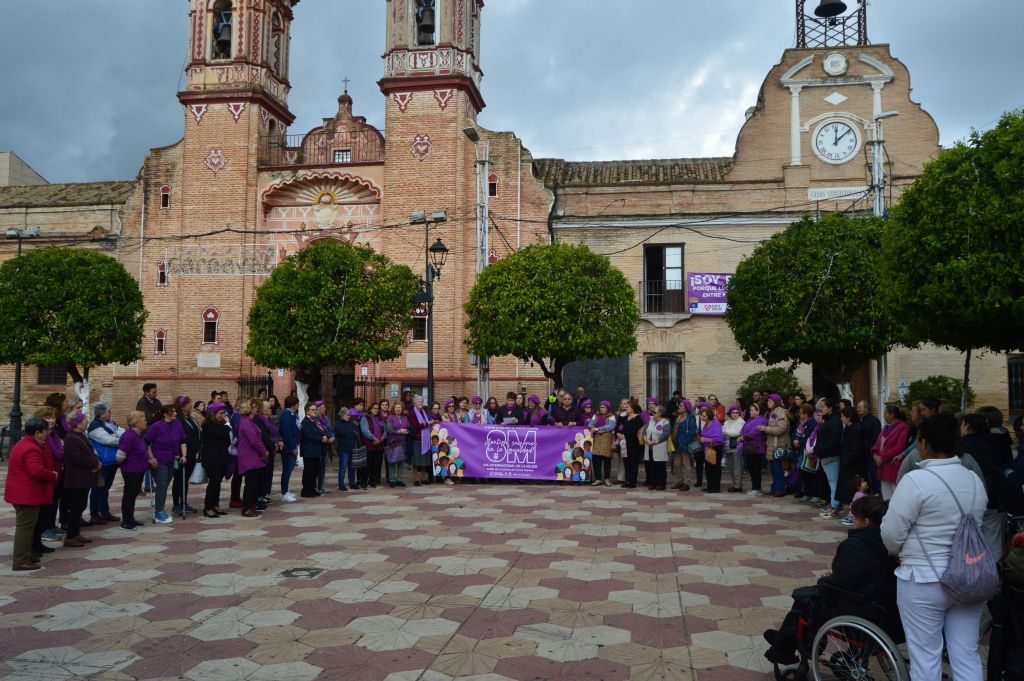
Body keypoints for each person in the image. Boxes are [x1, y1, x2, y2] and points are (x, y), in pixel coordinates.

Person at [881, 412, 989, 681]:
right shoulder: (973, 480)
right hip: (969, 576)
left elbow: (891, 534)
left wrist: (899, 549)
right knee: (966, 654)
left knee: (925, 657)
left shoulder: (915, 481)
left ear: (924, 443)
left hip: (923, 579)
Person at [764, 496, 892, 665]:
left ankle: (784, 648)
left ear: (866, 521)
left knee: (804, 599)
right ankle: (785, 640)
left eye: (855, 518)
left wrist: (826, 580)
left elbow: (840, 583)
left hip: (860, 606)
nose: (853, 521)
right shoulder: (888, 543)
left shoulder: (856, 545)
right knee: (810, 595)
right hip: (878, 603)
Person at [5, 417, 59, 570]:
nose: (47, 434)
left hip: (22, 492)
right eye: (45, 431)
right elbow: (36, 471)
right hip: (26, 494)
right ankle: (20, 560)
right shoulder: (31, 448)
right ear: (37, 433)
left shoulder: (24, 444)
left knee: (27, 526)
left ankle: (26, 555)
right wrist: (52, 475)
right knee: (25, 528)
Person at [60, 410, 101, 547]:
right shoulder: (70, 438)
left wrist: (96, 460)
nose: (87, 421)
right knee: (76, 507)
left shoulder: (80, 435)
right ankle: (70, 536)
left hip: (83, 478)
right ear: (77, 424)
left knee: (81, 505)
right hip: (76, 479)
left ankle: (75, 533)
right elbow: (77, 458)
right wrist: (94, 462)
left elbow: (89, 452)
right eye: (84, 420)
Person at [145, 404, 186, 524]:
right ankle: (159, 512)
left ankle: (160, 508)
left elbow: (183, 441)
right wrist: (151, 458)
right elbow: (146, 443)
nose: (175, 413)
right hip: (159, 461)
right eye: (173, 411)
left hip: (173, 460)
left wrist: (184, 455)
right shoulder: (156, 426)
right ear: (165, 414)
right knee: (162, 485)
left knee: (165, 485)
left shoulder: (178, 424)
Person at [117, 411, 156, 531]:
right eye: (143, 420)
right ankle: (126, 522)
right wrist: (127, 464)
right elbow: (120, 456)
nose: (146, 421)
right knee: (129, 495)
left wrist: (148, 461)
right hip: (131, 471)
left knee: (133, 495)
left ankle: (130, 519)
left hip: (138, 470)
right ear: (136, 423)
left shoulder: (137, 434)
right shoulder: (128, 436)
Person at [87, 403, 123, 525]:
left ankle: (104, 512)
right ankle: (94, 515)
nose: (110, 413)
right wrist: (118, 437)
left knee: (106, 488)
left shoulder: (110, 423)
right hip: (103, 461)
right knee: (98, 488)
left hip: (112, 460)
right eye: (108, 412)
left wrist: (116, 435)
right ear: (102, 414)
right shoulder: (95, 426)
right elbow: (108, 440)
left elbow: (123, 433)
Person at [237, 398, 269, 517]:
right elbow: (254, 440)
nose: (257, 408)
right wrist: (264, 451)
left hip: (253, 456)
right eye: (254, 406)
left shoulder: (249, 421)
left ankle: (251, 506)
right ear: (249, 409)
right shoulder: (246, 423)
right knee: (250, 484)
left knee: (254, 483)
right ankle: (246, 508)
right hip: (249, 457)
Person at [872, 405, 909, 501]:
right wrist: (875, 455)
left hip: (893, 466)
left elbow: (899, 447)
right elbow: (877, 443)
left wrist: (882, 457)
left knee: (895, 494)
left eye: (885, 413)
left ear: (892, 415)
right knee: (886, 495)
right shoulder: (886, 427)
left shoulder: (903, 428)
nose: (883, 416)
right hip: (882, 466)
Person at [200, 402, 231, 517]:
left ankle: (215, 504)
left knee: (217, 483)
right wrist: (228, 425)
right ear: (213, 414)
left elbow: (226, 439)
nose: (222, 415)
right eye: (220, 413)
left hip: (221, 457)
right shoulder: (208, 424)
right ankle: (208, 507)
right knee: (213, 482)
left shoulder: (221, 423)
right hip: (211, 458)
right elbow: (220, 434)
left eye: (223, 413)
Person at [814, 397, 844, 518]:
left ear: (830, 408)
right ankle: (834, 505)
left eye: (823, 407)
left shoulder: (835, 421)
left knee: (833, 483)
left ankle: (835, 507)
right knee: (831, 482)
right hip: (826, 456)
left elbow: (834, 441)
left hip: (831, 456)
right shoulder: (829, 420)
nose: (821, 409)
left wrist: (820, 450)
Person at [172, 396, 201, 516]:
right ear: (183, 407)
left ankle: (184, 502)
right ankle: (176, 505)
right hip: (182, 454)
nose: (191, 405)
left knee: (185, 479)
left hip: (192, 453)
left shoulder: (190, 418)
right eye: (189, 404)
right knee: (179, 479)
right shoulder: (178, 420)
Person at [835, 406, 866, 517]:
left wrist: (846, 461)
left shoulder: (855, 431)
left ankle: (852, 513)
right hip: (848, 464)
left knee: (851, 488)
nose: (841, 419)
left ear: (849, 417)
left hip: (853, 466)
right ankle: (848, 511)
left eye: (843, 416)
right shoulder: (849, 429)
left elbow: (855, 449)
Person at [760, 394, 790, 497]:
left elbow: (781, 429)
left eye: (770, 401)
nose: (768, 403)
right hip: (771, 444)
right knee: (773, 468)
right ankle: (774, 488)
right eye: (768, 401)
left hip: (778, 445)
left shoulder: (781, 413)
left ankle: (780, 489)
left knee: (777, 468)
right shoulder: (771, 412)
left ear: (776, 403)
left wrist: (765, 429)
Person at [738, 402, 768, 496]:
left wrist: (743, 437)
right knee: (751, 469)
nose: (750, 412)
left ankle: (757, 489)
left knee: (755, 469)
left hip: (757, 448)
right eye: (750, 410)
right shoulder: (751, 419)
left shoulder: (761, 420)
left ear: (758, 411)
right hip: (750, 448)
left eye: (752, 410)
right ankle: (754, 487)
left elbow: (755, 432)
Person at [299, 403, 326, 498]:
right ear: (307, 411)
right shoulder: (305, 422)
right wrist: (321, 439)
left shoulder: (315, 421)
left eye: (316, 410)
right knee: (308, 471)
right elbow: (308, 435)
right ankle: (306, 491)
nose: (315, 411)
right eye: (313, 410)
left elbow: (322, 430)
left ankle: (312, 489)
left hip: (316, 450)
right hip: (308, 451)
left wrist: (325, 436)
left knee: (315, 471)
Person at [278, 395, 300, 502]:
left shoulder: (292, 414)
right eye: (297, 403)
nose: (298, 405)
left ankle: (286, 490)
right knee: (287, 469)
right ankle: (284, 493)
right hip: (288, 447)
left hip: (293, 444)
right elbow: (287, 433)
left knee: (289, 469)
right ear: (293, 404)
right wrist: (293, 447)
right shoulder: (286, 415)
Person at [643, 405, 671, 490]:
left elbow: (665, 435)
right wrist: (646, 439)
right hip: (649, 446)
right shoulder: (650, 420)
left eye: (654, 412)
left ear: (660, 413)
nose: (653, 413)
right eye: (652, 412)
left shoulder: (665, 422)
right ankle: (653, 483)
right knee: (651, 466)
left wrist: (655, 441)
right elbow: (644, 431)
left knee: (660, 466)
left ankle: (661, 483)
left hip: (659, 447)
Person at [672, 399, 698, 491]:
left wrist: (686, 442)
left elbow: (692, 431)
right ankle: (679, 481)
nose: (679, 407)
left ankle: (687, 483)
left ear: (686, 407)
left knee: (686, 463)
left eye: (681, 406)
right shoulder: (678, 416)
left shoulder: (690, 417)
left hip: (685, 443)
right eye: (679, 405)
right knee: (676, 464)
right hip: (677, 443)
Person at [589, 401, 616, 486]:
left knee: (607, 460)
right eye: (601, 407)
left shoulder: (612, 416)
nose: (602, 409)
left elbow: (610, 426)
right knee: (596, 460)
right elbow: (590, 424)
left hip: (606, 440)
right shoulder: (595, 415)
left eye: (604, 407)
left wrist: (597, 429)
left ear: (607, 408)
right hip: (596, 440)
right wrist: (593, 428)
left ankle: (607, 479)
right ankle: (598, 479)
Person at [857, 400, 882, 493]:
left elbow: (875, 438)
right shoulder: (860, 420)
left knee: (874, 475)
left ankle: (877, 493)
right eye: (857, 408)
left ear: (866, 409)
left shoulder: (874, 421)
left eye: (860, 408)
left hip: (870, 453)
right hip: (862, 454)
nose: (857, 409)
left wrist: (871, 450)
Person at [698, 408, 724, 493]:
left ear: (709, 416)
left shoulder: (716, 423)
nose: (702, 417)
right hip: (708, 448)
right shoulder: (706, 424)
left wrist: (705, 439)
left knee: (715, 468)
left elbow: (718, 438)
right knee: (708, 468)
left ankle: (716, 488)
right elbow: (704, 434)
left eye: (704, 416)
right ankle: (710, 486)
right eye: (702, 416)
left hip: (716, 448)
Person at [334, 407, 360, 491]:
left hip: (352, 448)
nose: (349, 416)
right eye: (347, 415)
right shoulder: (338, 424)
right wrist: (351, 433)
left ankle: (352, 484)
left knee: (352, 468)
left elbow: (356, 432)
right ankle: (341, 485)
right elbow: (341, 432)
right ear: (342, 415)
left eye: (349, 415)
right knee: (343, 468)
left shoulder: (352, 423)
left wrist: (350, 434)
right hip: (343, 449)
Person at [384, 402, 410, 488]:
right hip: (393, 442)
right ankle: (392, 480)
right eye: (396, 407)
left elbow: (408, 427)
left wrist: (407, 431)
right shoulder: (390, 417)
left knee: (401, 461)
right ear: (393, 409)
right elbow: (389, 429)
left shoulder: (405, 417)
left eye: (400, 407)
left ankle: (399, 479)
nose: (398, 409)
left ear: (402, 409)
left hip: (402, 442)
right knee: (392, 460)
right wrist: (399, 431)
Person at [361, 402, 386, 488]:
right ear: (370, 409)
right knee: (367, 465)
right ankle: (364, 482)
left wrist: (381, 439)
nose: (376, 410)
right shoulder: (365, 418)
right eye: (374, 408)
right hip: (370, 445)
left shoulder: (380, 418)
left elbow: (385, 430)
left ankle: (372, 481)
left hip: (379, 445)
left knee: (376, 465)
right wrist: (374, 438)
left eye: (377, 409)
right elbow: (365, 431)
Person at [722, 404, 746, 493]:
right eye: (733, 413)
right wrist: (730, 434)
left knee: (737, 467)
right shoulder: (727, 422)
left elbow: (737, 432)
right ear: (730, 414)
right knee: (730, 467)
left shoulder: (741, 422)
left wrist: (728, 433)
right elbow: (722, 432)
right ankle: (735, 483)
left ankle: (738, 485)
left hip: (737, 447)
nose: (735, 414)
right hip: (727, 447)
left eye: (737, 413)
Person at [621, 401, 645, 488]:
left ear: (632, 409)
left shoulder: (638, 418)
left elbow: (634, 430)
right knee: (626, 462)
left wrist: (625, 435)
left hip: (634, 443)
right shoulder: (625, 418)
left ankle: (632, 481)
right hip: (625, 443)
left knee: (633, 462)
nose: (626, 408)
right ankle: (627, 480)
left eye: (628, 407)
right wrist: (619, 434)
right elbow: (621, 428)